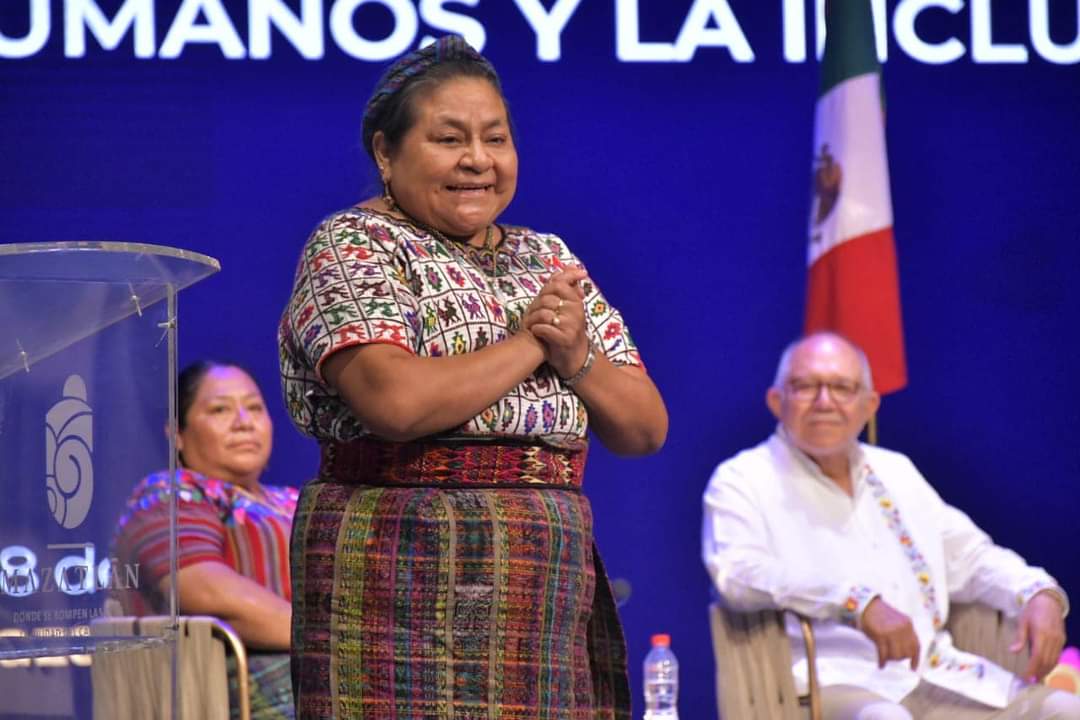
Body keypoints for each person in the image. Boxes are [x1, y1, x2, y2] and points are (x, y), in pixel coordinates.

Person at [278, 35, 667, 719]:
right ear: (385, 153)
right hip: (399, 572)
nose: (478, 161)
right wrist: (534, 342)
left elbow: (643, 428)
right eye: (449, 139)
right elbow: (395, 402)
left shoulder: (544, 257)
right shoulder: (354, 244)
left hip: (540, 585)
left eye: (497, 138)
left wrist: (575, 355)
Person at [702, 332, 1080, 720]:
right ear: (775, 401)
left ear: (870, 405)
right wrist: (856, 601)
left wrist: (1037, 592)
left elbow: (970, 557)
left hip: (937, 675)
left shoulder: (895, 470)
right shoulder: (742, 479)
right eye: (805, 387)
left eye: (842, 388)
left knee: (1066, 710)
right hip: (829, 681)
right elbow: (738, 574)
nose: (824, 401)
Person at [112, 361, 298, 719]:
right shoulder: (170, 494)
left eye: (255, 407)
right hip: (225, 688)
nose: (244, 422)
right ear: (177, 434)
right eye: (220, 409)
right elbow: (208, 596)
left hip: (315, 667)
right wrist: (335, 641)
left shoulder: (294, 500)